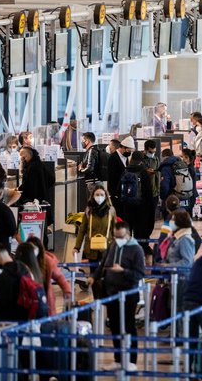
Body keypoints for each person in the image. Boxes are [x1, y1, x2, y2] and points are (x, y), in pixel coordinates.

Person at [89, 222, 145, 371]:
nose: (117, 239)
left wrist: (123, 271)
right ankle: (118, 359)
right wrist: (94, 277)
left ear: (127, 234)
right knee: (114, 325)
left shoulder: (136, 250)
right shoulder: (113, 245)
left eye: (120, 236)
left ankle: (131, 360)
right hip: (111, 293)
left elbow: (139, 274)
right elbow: (103, 264)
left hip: (128, 293)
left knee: (128, 326)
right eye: (115, 236)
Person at [26, 236, 71, 315]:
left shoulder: (47, 261)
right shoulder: (24, 261)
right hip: (29, 300)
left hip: (46, 299)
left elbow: (60, 277)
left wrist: (67, 292)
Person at [75, 185, 117, 264]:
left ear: (106, 196)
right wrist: (77, 247)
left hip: (107, 248)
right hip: (92, 249)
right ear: (93, 196)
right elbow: (82, 230)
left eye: (102, 195)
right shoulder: (88, 211)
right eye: (97, 195)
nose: (99, 197)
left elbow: (115, 230)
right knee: (93, 273)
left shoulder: (111, 210)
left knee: (106, 273)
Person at [0, 245, 31, 321]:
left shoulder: (4, 274)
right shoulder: (23, 267)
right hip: (25, 313)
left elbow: (0, 300)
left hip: (9, 317)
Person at [159, 148, 197, 214]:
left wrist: (163, 198)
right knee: (185, 221)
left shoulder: (166, 168)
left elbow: (165, 186)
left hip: (172, 200)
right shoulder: (184, 167)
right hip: (188, 199)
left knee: (171, 221)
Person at [107, 136, 135, 216]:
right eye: (128, 150)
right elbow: (111, 177)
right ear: (122, 147)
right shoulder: (113, 158)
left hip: (124, 192)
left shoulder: (125, 158)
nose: (129, 153)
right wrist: (113, 193)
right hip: (116, 192)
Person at [141, 139, 161, 206]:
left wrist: (158, 191)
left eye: (154, 152)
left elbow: (158, 175)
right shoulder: (140, 159)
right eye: (151, 152)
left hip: (154, 192)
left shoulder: (156, 159)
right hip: (143, 192)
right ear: (146, 149)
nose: (152, 154)